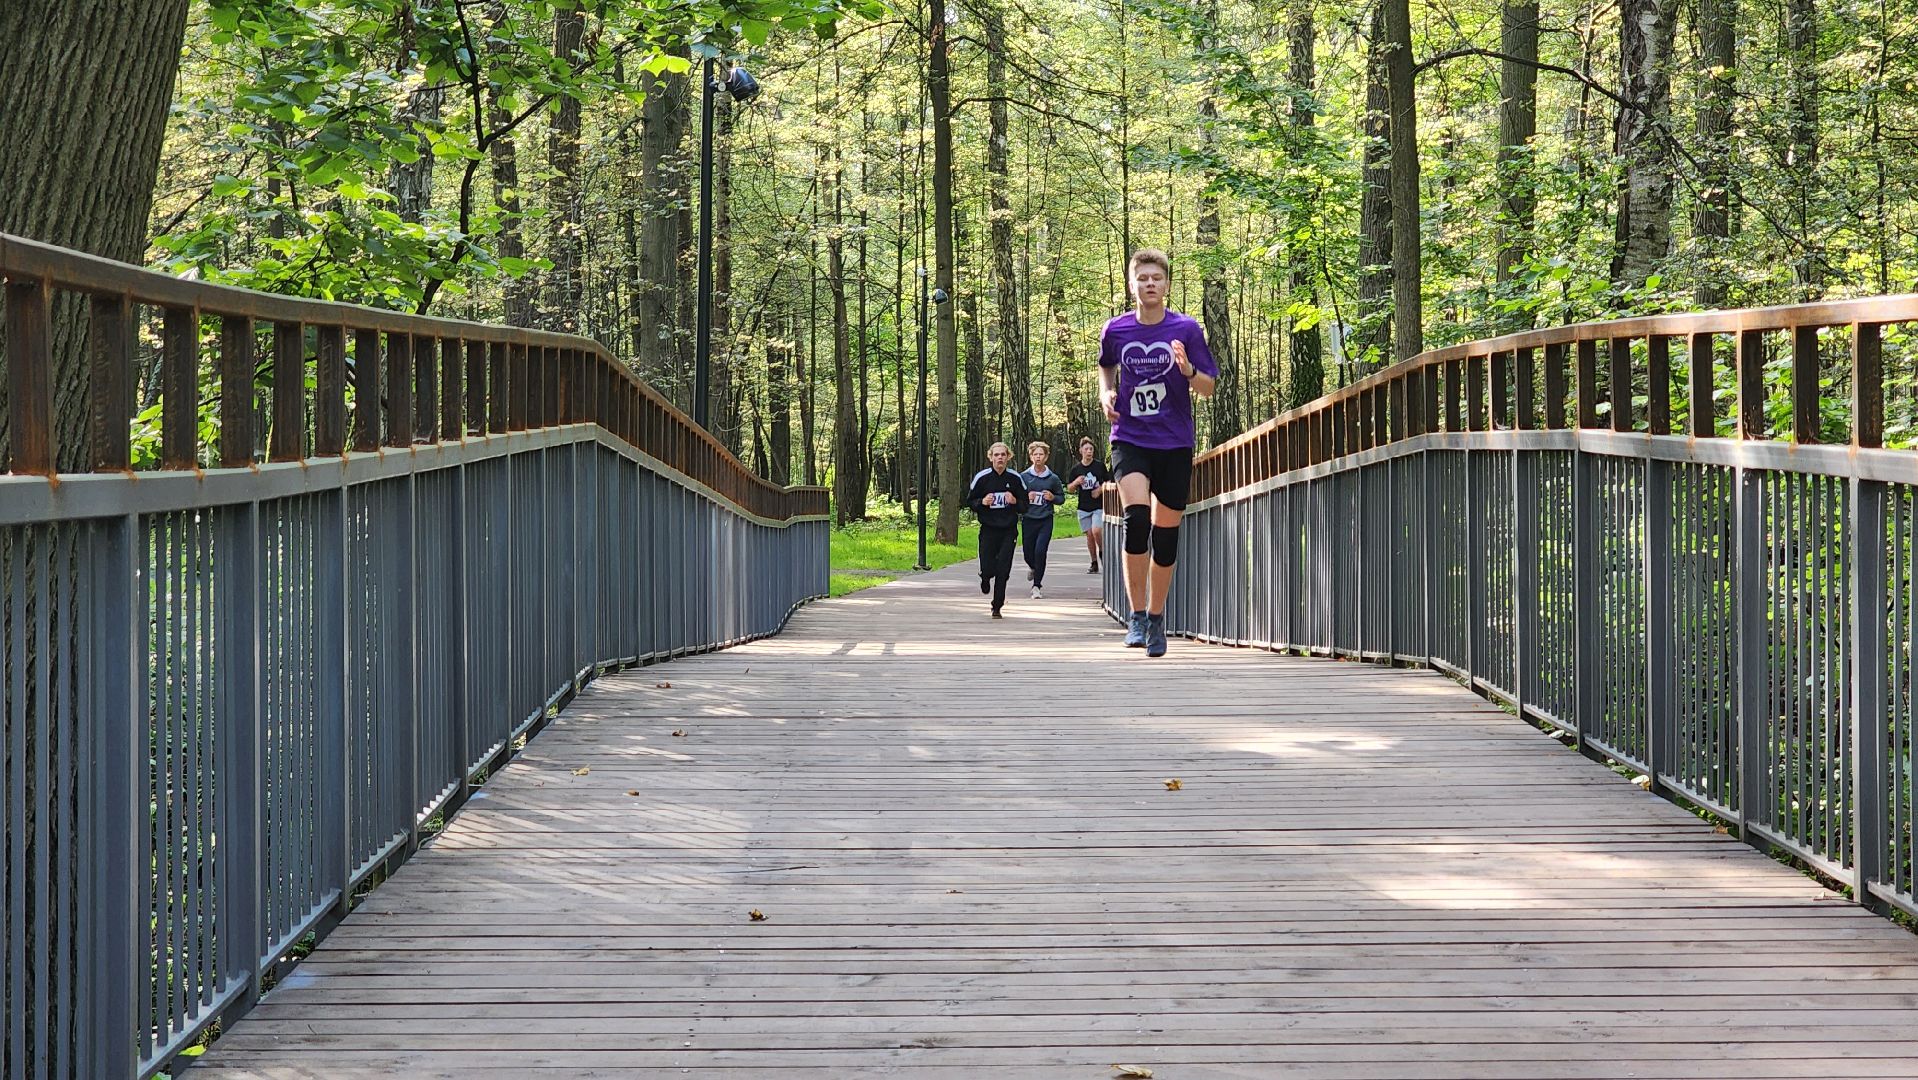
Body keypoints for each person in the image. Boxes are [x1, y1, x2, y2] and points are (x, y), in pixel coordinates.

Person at [1098, 249, 1219, 657]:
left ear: (1166, 285)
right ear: (1131, 284)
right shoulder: (1115, 330)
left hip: (1174, 442)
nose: (1149, 284)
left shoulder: (1185, 329)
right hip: (1130, 437)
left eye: (1156, 278)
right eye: (1142, 278)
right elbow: (1106, 365)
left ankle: (1156, 617)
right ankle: (1134, 615)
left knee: (1165, 537)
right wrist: (1106, 392)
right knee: (1136, 521)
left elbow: (1208, 387)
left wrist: (1187, 371)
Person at [968, 441, 1026, 618]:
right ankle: (985, 577)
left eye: (1003, 455)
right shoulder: (982, 478)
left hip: (1008, 530)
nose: (1000, 458)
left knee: (1003, 569)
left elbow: (1026, 505)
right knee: (988, 567)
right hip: (988, 529)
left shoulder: (1015, 479)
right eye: (996, 455)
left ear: (1008, 457)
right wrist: (982, 502)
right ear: (990, 457)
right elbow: (970, 501)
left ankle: (997, 606)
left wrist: (1015, 501)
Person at [1017, 441, 1066, 599]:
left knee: (1040, 551)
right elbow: (1017, 499)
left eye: (1041, 454)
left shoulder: (1052, 478)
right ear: (1031, 457)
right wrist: (1026, 497)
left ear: (1046, 457)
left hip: (1045, 519)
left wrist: (1052, 497)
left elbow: (1061, 498)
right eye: (1035, 454)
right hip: (1029, 519)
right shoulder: (1024, 477)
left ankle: (1037, 585)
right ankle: (1032, 567)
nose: (1038, 457)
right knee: (1027, 553)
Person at [1064, 438, 1110, 573]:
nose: (1089, 452)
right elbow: (1069, 488)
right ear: (1081, 451)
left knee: (1096, 531)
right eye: (1086, 449)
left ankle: (1102, 551)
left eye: (1091, 449)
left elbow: (1109, 482)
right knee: (1089, 535)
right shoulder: (1076, 469)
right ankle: (1094, 562)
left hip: (1098, 505)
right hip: (1083, 507)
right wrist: (1076, 482)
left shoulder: (1099, 466)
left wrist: (1099, 490)